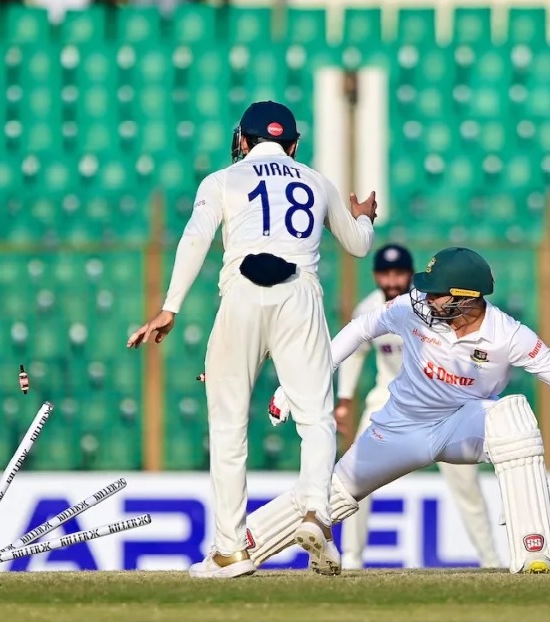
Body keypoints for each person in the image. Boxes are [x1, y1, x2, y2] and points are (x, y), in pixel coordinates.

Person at [256, 247, 550, 574]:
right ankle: (242, 546)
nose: (427, 298)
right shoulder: (412, 308)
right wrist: (300, 386)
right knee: (330, 494)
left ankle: (533, 551)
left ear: (467, 298)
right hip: (400, 427)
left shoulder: (507, 335)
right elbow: (361, 329)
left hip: (461, 424)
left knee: (513, 416)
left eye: (437, 292)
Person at [127, 100, 377, 578]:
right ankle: (315, 512)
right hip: (299, 294)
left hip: (241, 294)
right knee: (316, 418)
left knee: (228, 426)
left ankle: (230, 549)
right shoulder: (317, 181)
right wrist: (363, 217)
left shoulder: (223, 179)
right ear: (293, 145)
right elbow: (360, 245)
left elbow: (195, 237)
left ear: (243, 139)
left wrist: (170, 306)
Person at [336, 243, 501, 569]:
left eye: (399, 273)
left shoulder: (435, 306)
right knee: (355, 474)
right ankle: (352, 557)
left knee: (465, 484)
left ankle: (490, 559)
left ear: (411, 275)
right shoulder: (369, 308)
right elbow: (354, 352)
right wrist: (344, 400)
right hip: (388, 400)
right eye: (385, 274)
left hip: (441, 405)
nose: (392, 280)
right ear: (375, 276)